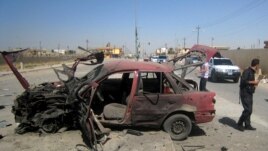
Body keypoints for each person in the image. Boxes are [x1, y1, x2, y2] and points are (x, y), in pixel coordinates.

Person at [237, 58, 260, 131]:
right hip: (244, 93)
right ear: (256, 65)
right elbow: (243, 81)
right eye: (258, 65)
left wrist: (255, 85)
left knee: (250, 110)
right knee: (248, 110)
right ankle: (240, 123)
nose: (258, 67)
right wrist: (253, 82)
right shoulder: (247, 71)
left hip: (249, 93)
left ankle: (247, 125)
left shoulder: (252, 72)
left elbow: (250, 83)